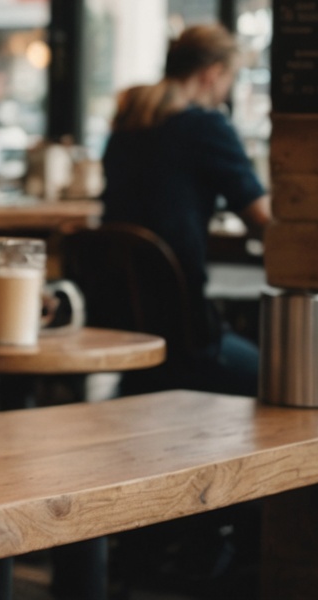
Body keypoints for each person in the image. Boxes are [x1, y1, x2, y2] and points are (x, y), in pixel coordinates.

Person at [101, 24, 268, 396]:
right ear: (213, 74)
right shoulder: (205, 127)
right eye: (231, 78)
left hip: (127, 331)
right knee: (282, 376)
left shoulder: (126, 127)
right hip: (188, 340)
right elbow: (263, 221)